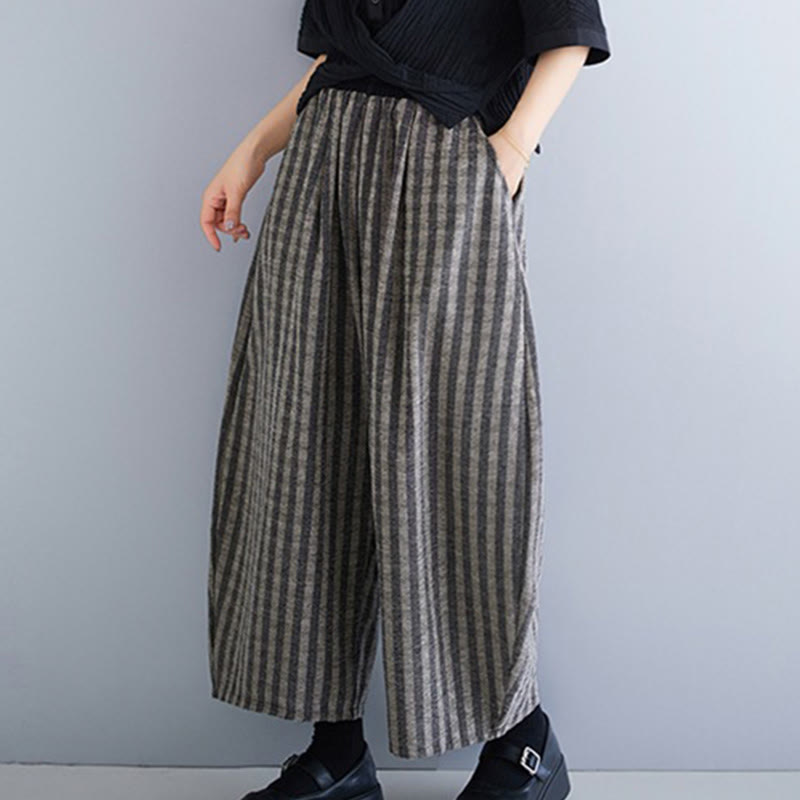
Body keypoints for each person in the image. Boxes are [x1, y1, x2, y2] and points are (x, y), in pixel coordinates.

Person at [200, 2, 611, 798]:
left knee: (455, 453)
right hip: (321, 168)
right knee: (309, 445)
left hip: (446, 165)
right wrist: (250, 152)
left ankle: (523, 743)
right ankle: (336, 752)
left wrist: (509, 152)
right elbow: (338, 61)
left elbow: (569, 35)